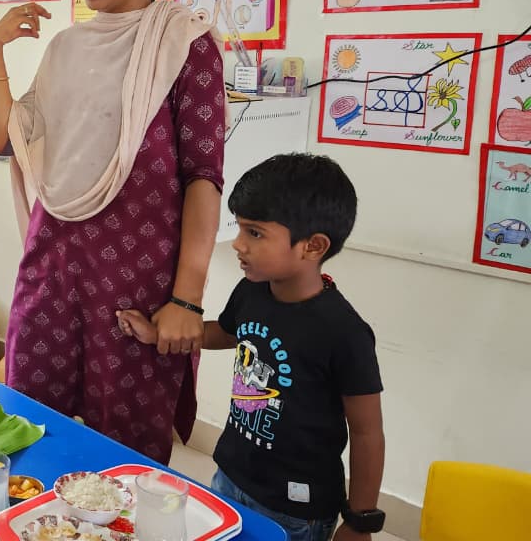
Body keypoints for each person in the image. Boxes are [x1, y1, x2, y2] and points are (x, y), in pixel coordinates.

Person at [0, 0, 225, 464]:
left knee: (128, 448)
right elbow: (8, 138)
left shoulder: (183, 45)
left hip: (134, 274)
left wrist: (187, 298)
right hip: (55, 259)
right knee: (27, 426)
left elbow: (203, 176)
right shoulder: (67, 47)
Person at [119, 154, 386, 541]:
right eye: (240, 229)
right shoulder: (252, 291)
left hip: (298, 509)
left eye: (255, 233)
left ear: (313, 246)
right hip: (230, 477)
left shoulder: (344, 332)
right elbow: (228, 334)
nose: (238, 245)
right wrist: (156, 335)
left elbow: (367, 432)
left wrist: (361, 523)